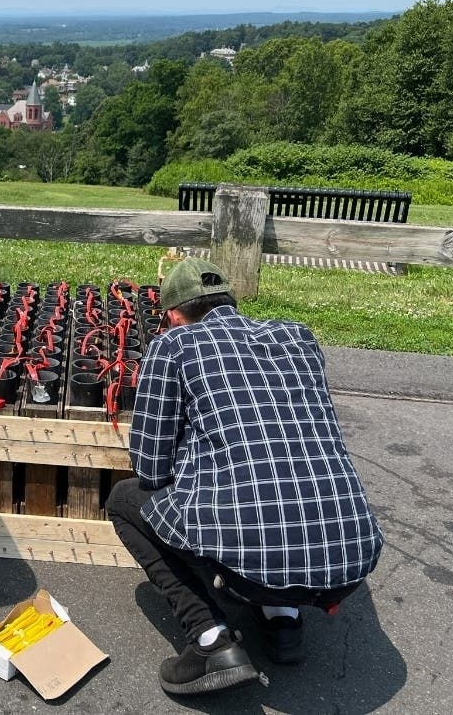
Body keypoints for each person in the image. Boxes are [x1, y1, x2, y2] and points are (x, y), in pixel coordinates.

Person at [106, 257, 383, 695]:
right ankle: (283, 623)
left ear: (174, 316)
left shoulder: (174, 346)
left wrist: (191, 454)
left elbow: (150, 466)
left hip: (254, 564)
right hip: (351, 560)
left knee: (125, 499)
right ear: (230, 301)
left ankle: (210, 641)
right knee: (281, 491)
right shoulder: (298, 336)